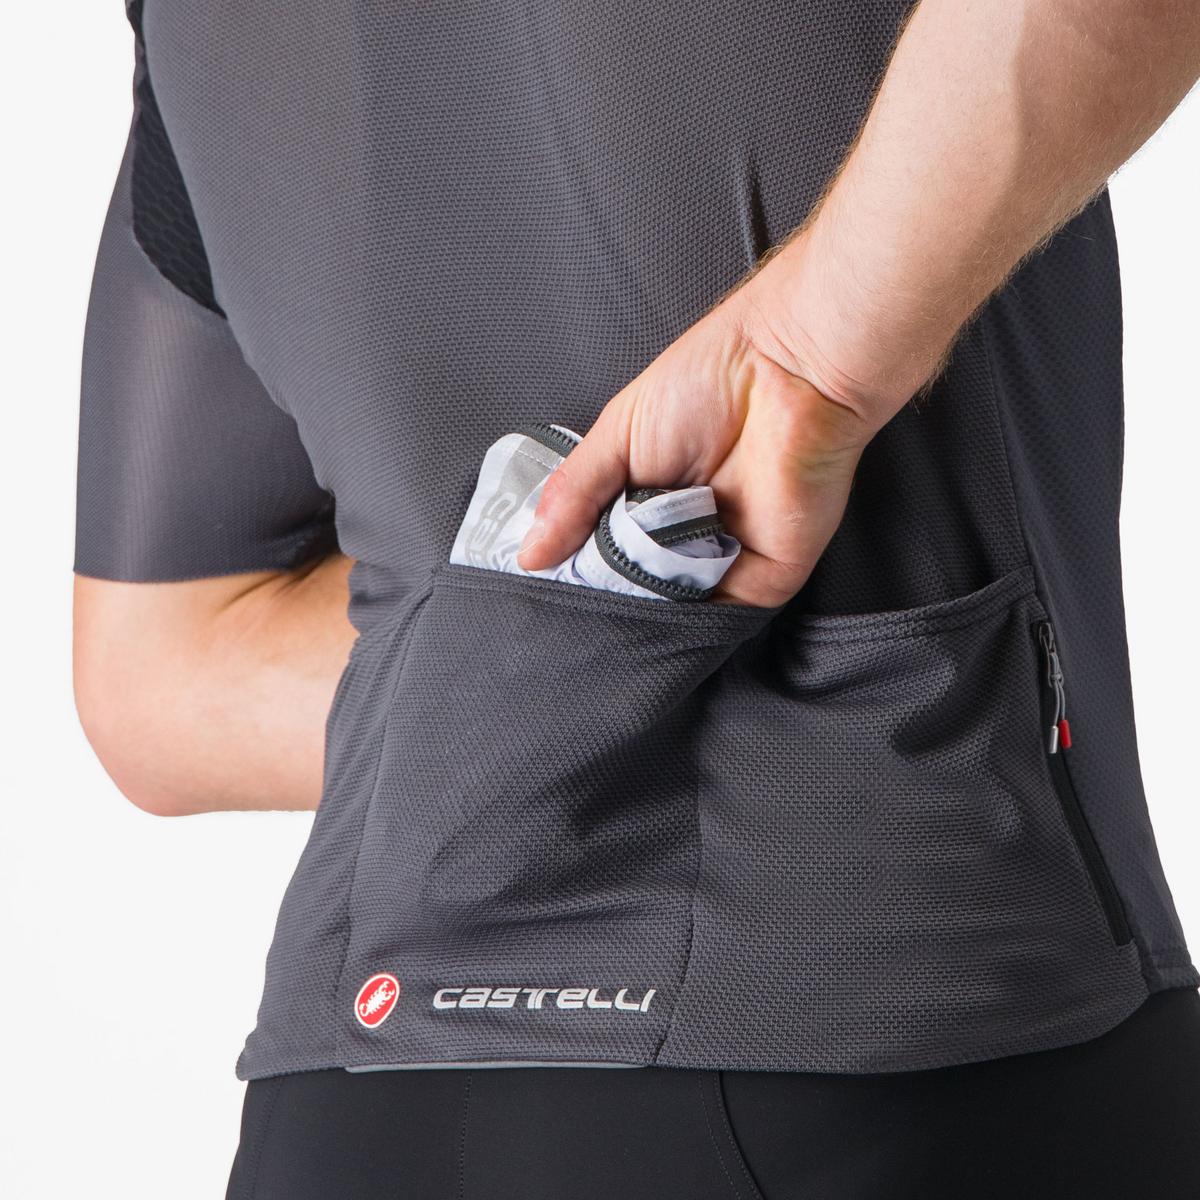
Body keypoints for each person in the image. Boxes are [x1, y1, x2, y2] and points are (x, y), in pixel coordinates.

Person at [74, 1, 1200, 1196]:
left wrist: (556, 648)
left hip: (360, 1092)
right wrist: (806, 364)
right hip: (893, 1014)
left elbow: (161, 674)